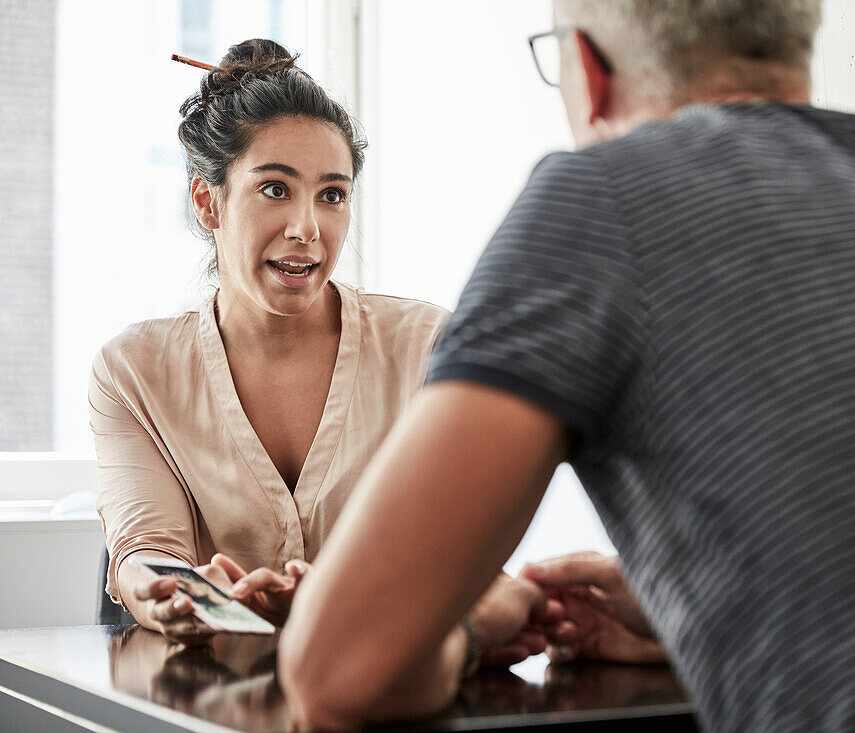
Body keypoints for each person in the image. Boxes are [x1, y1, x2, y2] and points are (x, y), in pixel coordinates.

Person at [277, 0, 855, 730]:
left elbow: (336, 675)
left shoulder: (599, 200)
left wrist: (467, 625)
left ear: (589, 73)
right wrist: (697, 611)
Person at [91, 39, 547, 659]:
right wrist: (165, 590)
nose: (307, 227)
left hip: (385, 689)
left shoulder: (428, 349)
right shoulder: (133, 372)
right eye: (275, 189)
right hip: (210, 699)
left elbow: (452, 556)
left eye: (332, 194)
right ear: (208, 201)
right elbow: (147, 548)